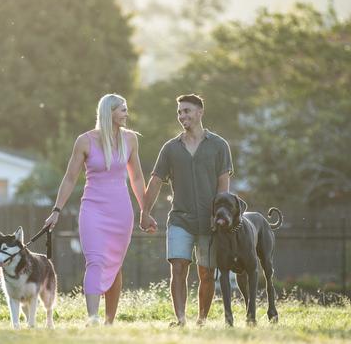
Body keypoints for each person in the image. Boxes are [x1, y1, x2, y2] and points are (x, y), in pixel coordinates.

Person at [44, 94, 146, 326]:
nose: (126, 114)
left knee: (115, 265)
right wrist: (56, 210)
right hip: (93, 210)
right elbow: (70, 178)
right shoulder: (85, 141)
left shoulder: (130, 140)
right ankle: (93, 318)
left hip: (121, 212)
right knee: (95, 261)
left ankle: (109, 322)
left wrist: (145, 210)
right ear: (109, 112)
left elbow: (137, 178)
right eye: (122, 110)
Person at [140, 94, 233, 327]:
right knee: (178, 267)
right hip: (180, 219)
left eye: (187, 111)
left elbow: (224, 185)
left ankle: (201, 320)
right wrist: (145, 211)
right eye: (180, 112)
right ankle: (180, 319)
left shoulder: (219, 145)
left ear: (200, 112)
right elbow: (155, 181)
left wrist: (219, 216)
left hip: (210, 222)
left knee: (207, 273)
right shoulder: (171, 148)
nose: (182, 116)